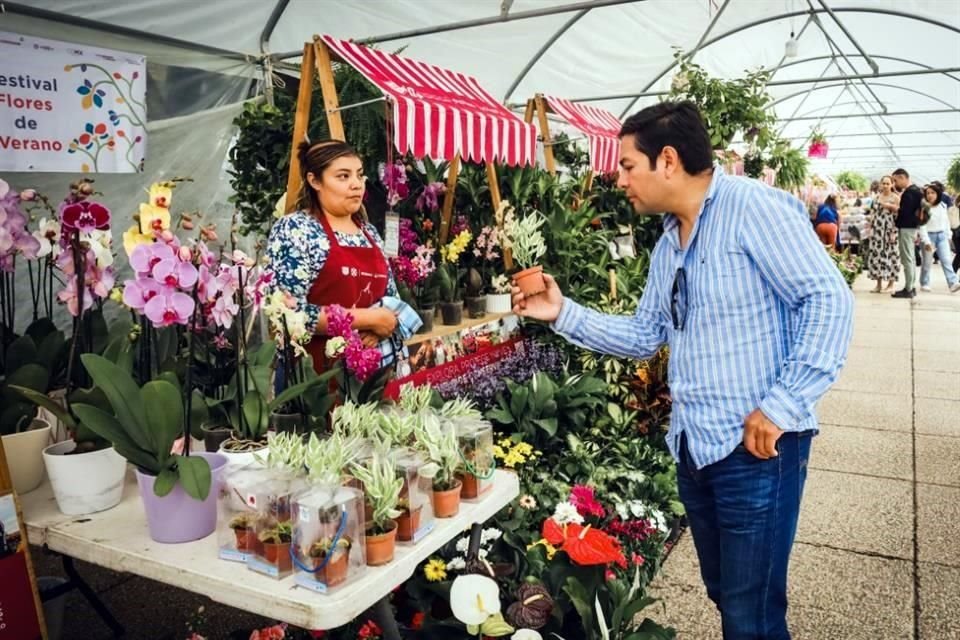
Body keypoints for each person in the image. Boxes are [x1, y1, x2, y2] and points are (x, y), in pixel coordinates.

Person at [512, 101, 854, 640]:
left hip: (756, 451)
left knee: (752, 615)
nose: (619, 178)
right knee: (729, 597)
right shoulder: (669, 242)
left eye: (627, 165)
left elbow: (828, 300)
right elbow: (647, 334)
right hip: (696, 449)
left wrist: (784, 404)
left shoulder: (753, 209)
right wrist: (562, 312)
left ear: (666, 160)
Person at [265, 140, 411, 373]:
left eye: (359, 175)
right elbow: (288, 314)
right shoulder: (296, 230)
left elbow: (391, 300)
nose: (356, 184)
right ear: (315, 181)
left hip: (372, 376)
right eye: (343, 176)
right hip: (315, 379)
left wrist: (380, 327)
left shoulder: (369, 232)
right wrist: (370, 320)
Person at [918, 183, 960, 293]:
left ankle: (952, 282)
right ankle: (924, 282)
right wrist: (926, 241)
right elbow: (922, 226)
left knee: (946, 260)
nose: (930, 195)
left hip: (942, 236)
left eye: (933, 193)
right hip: (928, 236)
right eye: (928, 193)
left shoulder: (942, 206)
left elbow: (946, 221)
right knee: (927, 262)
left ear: (938, 194)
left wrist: (948, 235)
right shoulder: (924, 208)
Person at [890, 168, 923, 298]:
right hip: (912, 228)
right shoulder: (916, 191)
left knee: (907, 258)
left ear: (903, 177)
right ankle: (911, 286)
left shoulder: (910, 193)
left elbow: (905, 212)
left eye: (895, 180)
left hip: (906, 228)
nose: (894, 183)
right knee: (911, 258)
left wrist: (896, 210)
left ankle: (908, 289)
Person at [866, 175, 900, 292]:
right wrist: (870, 228)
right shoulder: (876, 197)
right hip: (878, 230)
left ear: (892, 185)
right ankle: (878, 284)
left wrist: (894, 232)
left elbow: (898, 215)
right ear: (880, 184)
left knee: (892, 255)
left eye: (887, 183)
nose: (885, 186)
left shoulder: (895, 197)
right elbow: (873, 213)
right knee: (877, 256)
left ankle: (890, 284)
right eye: (883, 183)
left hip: (890, 229)